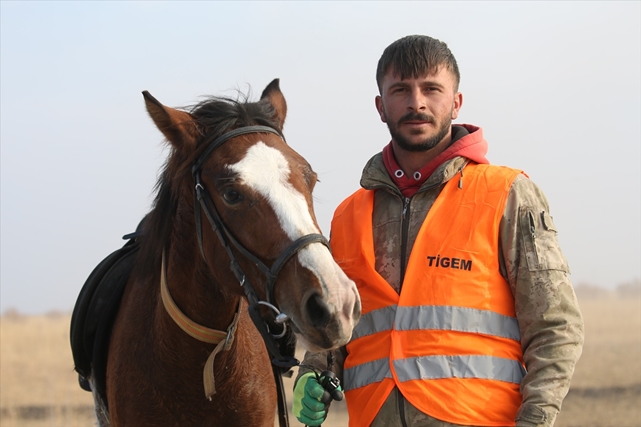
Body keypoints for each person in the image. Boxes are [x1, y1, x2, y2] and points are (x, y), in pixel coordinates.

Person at [292, 35, 584, 427]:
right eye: (401, 90)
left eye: (432, 89)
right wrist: (315, 368)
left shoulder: (507, 195)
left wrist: (536, 420)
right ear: (380, 107)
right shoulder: (348, 214)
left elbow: (555, 327)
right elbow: (336, 328)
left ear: (456, 102)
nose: (417, 103)